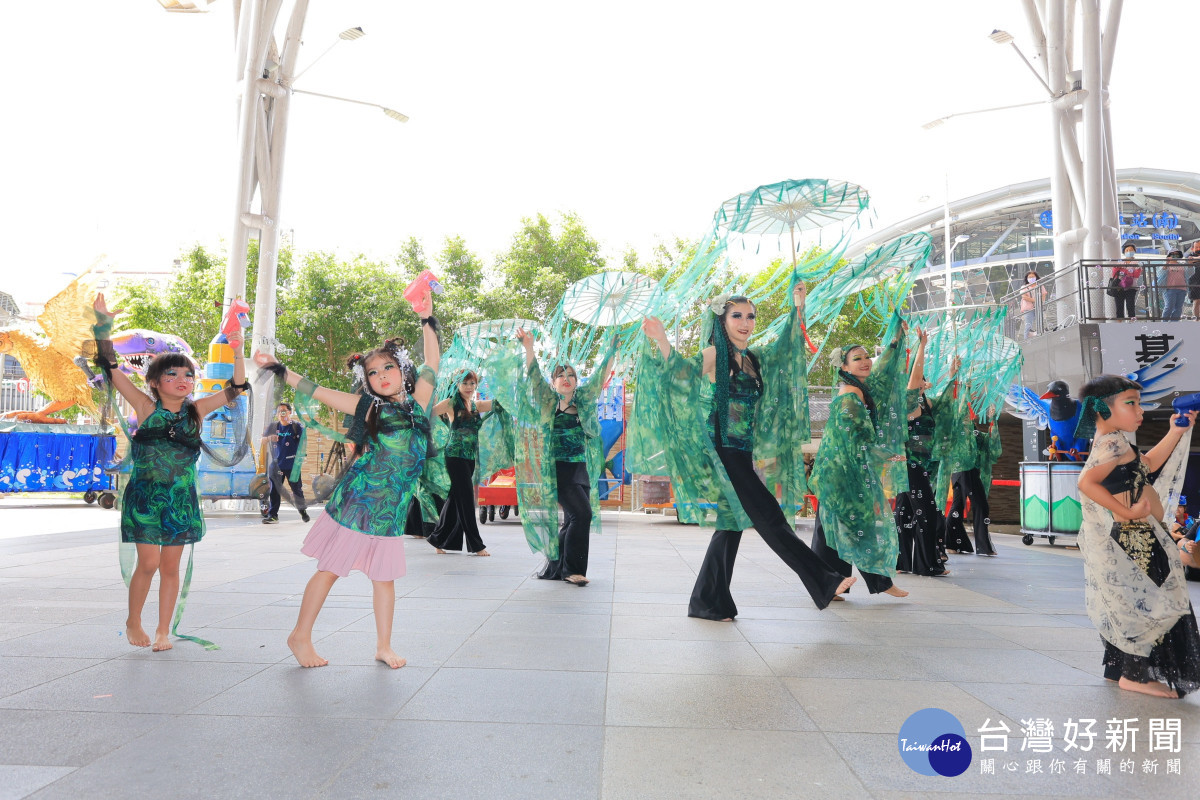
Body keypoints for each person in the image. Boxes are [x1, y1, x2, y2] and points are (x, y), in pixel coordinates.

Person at [638, 284, 855, 620]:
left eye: (750, 316)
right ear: (722, 321)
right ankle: (824, 580)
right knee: (769, 516)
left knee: (732, 525)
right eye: (736, 315)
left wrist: (798, 307)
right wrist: (662, 338)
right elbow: (681, 374)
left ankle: (708, 601)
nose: (745, 322)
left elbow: (787, 347)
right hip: (722, 450)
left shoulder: (754, 358)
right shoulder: (715, 355)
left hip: (742, 451)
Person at [253, 295, 440, 669]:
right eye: (373, 373)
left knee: (384, 578)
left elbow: (433, 361)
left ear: (402, 369)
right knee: (331, 568)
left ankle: (383, 646)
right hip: (360, 503)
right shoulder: (370, 408)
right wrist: (281, 370)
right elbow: (316, 390)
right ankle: (299, 635)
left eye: (388, 367)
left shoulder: (418, 402)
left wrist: (427, 317)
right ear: (367, 382)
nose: (382, 376)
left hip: (391, 509)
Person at [92, 293, 247, 652]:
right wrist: (102, 326)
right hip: (146, 497)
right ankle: (134, 620)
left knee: (171, 566)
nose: (183, 379)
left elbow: (237, 388)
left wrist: (237, 347)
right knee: (148, 563)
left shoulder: (196, 411)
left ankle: (164, 631)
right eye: (172, 374)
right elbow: (111, 367)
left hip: (180, 499)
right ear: (155, 382)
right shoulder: (145, 406)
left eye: (188, 375)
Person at [1074, 374, 1200, 698]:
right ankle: (1136, 676)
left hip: (1133, 533)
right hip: (1133, 533)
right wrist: (1129, 513)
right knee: (1155, 602)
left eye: (1138, 402)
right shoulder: (1112, 443)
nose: (1139, 410)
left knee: (1134, 599)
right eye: (1131, 403)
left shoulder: (1115, 441)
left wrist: (1176, 431)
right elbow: (1087, 483)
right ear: (1102, 410)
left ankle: (1119, 669)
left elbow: (1147, 465)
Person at [504, 327, 617, 586]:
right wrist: (529, 348)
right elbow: (533, 376)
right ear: (553, 382)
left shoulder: (585, 400)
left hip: (580, 469)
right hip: (558, 470)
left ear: (576, 381)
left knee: (571, 519)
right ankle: (572, 570)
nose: (566, 378)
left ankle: (556, 566)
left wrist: (612, 349)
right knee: (582, 514)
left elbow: (601, 375)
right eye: (560, 376)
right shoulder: (549, 402)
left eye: (571, 375)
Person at [809, 319, 914, 598]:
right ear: (844, 367)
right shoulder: (850, 397)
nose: (866, 361)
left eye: (867, 356)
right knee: (848, 524)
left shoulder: (860, 389)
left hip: (848, 469)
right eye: (858, 359)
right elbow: (854, 440)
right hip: (841, 471)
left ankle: (841, 583)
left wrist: (894, 343)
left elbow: (881, 373)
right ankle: (836, 583)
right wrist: (885, 455)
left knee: (847, 523)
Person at [894, 339, 957, 577]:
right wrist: (922, 346)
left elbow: (945, 403)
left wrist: (952, 375)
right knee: (927, 514)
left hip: (920, 466)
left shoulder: (924, 402)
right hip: (911, 465)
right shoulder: (909, 403)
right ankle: (927, 564)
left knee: (905, 514)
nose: (922, 380)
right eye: (919, 378)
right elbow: (914, 377)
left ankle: (903, 563)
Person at [426, 369, 493, 556]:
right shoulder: (450, 403)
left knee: (455, 499)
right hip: (454, 456)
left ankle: (438, 539)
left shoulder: (475, 405)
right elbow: (427, 414)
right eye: (465, 383)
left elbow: (498, 404)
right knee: (466, 499)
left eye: (472, 383)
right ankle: (476, 545)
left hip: (469, 457)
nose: (469, 387)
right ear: (457, 384)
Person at [944, 411, 1001, 556]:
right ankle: (982, 546)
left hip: (963, 471)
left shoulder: (972, 429)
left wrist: (993, 421)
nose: (974, 413)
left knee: (958, 506)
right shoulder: (960, 427)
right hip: (965, 470)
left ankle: (952, 543)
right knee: (980, 505)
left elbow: (987, 443)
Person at [263, 402, 309, 524]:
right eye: (279, 411)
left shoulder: (296, 426)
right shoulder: (273, 427)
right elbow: (262, 440)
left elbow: (303, 444)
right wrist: (269, 438)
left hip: (292, 465)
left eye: (284, 411)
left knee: (297, 490)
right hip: (276, 464)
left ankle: (302, 510)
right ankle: (273, 515)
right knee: (274, 490)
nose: (281, 414)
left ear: (289, 412)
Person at [1112, 244, 1141, 320]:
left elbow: (1136, 275)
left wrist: (1125, 270)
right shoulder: (1120, 262)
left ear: (1134, 251)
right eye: (1127, 250)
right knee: (1119, 305)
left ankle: (1131, 321)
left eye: (1131, 250)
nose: (1129, 252)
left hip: (1131, 287)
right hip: (1119, 286)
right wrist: (1117, 268)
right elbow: (1114, 274)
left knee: (1130, 305)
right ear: (1124, 252)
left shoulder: (1137, 263)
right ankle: (1120, 322)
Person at [1018, 270, 1048, 338]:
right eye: (1029, 277)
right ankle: (1026, 339)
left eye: (1033, 277)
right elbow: (1024, 296)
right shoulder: (1024, 287)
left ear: (1036, 277)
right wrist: (1036, 300)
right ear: (1027, 278)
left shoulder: (1040, 286)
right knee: (1028, 324)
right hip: (1028, 308)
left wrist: (1041, 302)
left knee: (1040, 322)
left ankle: (1040, 336)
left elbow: (1044, 294)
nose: (1031, 278)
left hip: (1038, 306)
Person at [1162, 250, 1188, 321]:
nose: (1174, 256)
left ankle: (1174, 324)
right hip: (1170, 289)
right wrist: (1166, 263)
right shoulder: (1166, 264)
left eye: (1176, 254)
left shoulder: (1182, 265)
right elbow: (1161, 274)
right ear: (1169, 255)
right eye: (1172, 254)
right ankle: (1164, 323)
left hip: (1182, 289)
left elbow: (1189, 274)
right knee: (1169, 306)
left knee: (1178, 308)